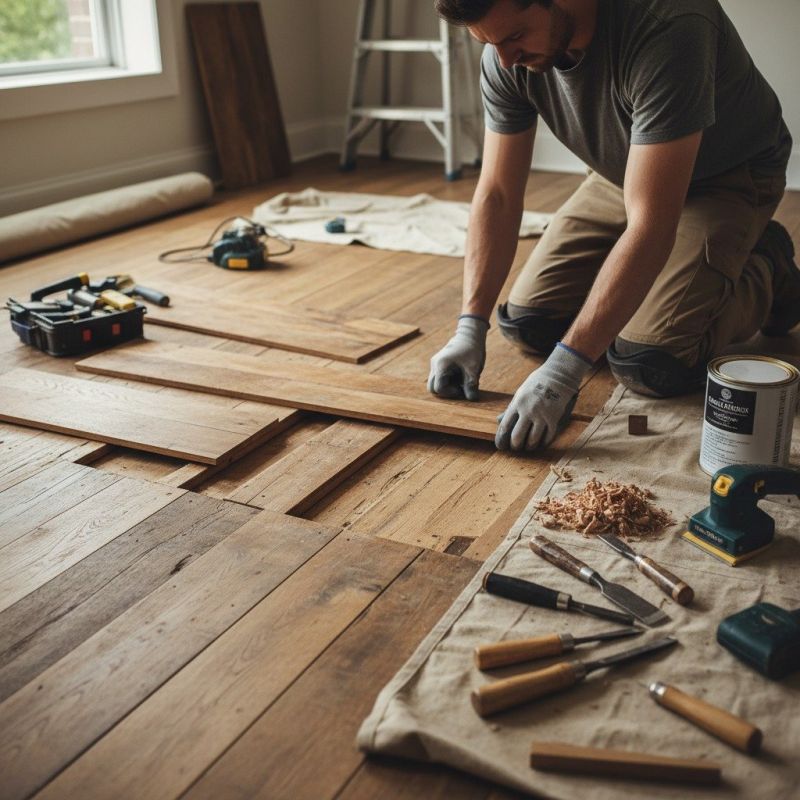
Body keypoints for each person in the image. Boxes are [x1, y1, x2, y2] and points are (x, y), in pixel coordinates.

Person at [427, 0, 797, 452]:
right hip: (621, 173)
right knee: (529, 325)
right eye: (487, 43)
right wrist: (470, 326)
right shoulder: (504, 55)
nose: (504, 60)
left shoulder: (670, 24)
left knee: (651, 363)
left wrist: (564, 371)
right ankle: (658, 277)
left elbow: (650, 224)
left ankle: (769, 265)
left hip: (725, 177)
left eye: (514, 37)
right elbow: (498, 195)